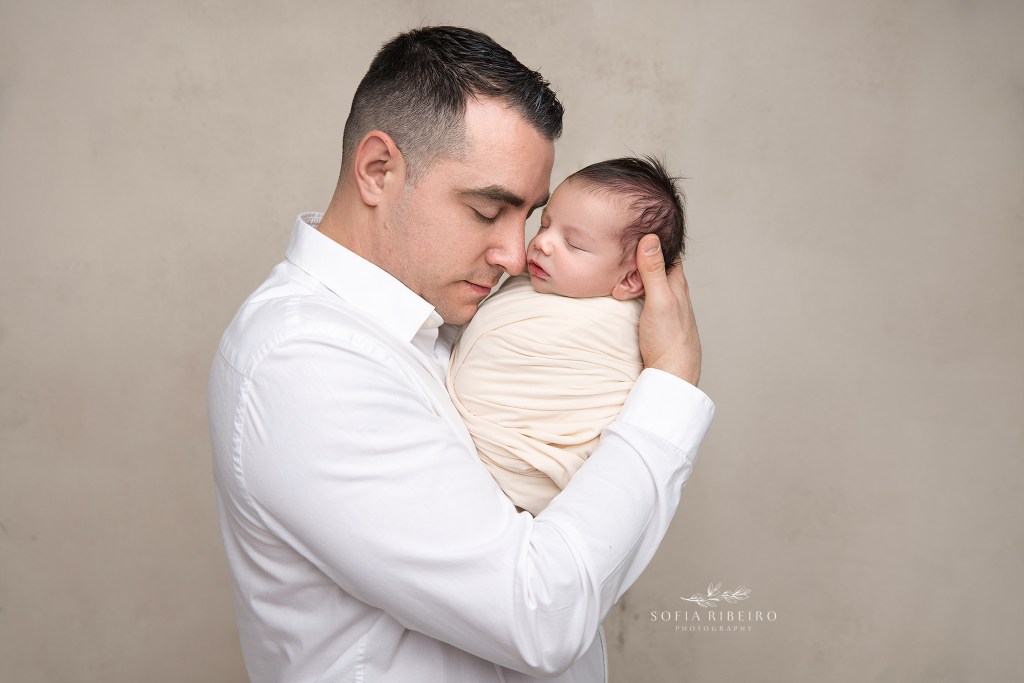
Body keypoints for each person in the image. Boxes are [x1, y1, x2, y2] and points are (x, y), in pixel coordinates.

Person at [208, 26, 713, 683]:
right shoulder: (303, 362)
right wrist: (671, 383)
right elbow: (538, 615)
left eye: (529, 215)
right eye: (485, 211)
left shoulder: (444, 315)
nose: (515, 254)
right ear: (378, 170)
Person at [447, 156, 686, 516]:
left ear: (629, 280)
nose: (542, 243)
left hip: (519, 483)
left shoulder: (619, 325)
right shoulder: (529, 283)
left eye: (573, 243)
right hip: (462, 465)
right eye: (545, 225)